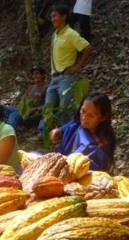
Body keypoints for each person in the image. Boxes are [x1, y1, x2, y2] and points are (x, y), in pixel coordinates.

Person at [41, 4, 94, 141]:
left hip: (67, 77)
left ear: (64, 17)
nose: (52, 19)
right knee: (49, 108)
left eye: (55, 16)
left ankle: (68, 139)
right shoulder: (55, 34)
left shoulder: (71, 34)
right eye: (51, 16)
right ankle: (51, 137)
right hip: (55, 78)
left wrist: (77, 67)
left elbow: (88, 48)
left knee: (66, 110)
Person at [49, 92, 115, 171]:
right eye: (83, 111)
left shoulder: (100, 147)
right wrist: (57, 132)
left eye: (91, 116)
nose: (84, 117)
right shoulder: (77, 124)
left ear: (102, 118)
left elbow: (93, 173)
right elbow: (63, 131)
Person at [3, 64, 48, 131]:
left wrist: (35, 109)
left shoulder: (47, 88)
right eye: (33, 74)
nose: (34, 76)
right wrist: (22, 106)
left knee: (14, 115)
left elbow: (48, 105)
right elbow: (24, 100)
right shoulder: (31, 87)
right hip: (23, 111)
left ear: (43, 75)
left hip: (33, 115)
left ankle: (8, 132)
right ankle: (16, 125)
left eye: (37, 73)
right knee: (2, 108)